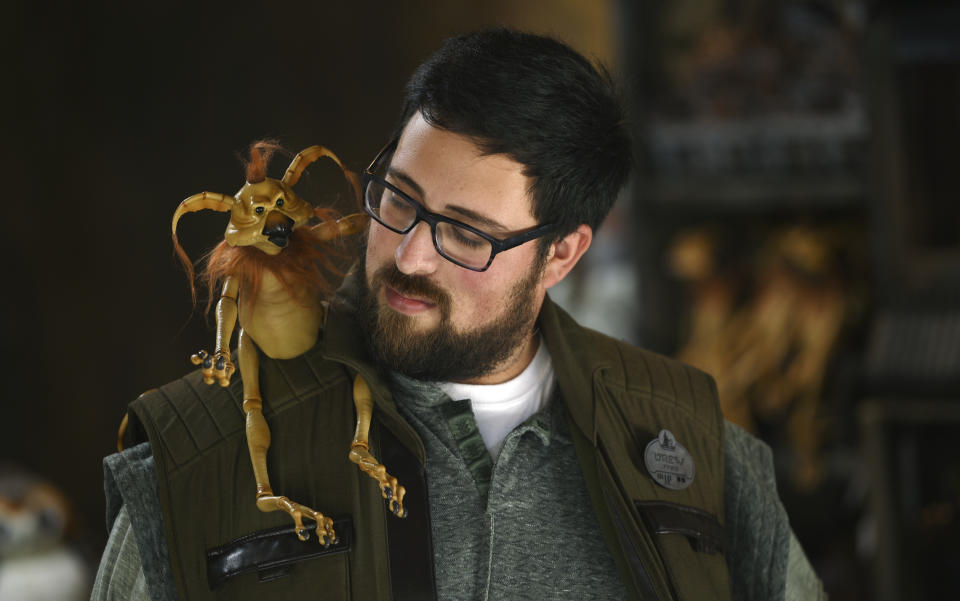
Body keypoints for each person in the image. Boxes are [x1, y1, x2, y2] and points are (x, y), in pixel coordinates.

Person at [92, 29, 826, 601]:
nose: (410, 256)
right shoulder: (202, 454)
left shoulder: (693, 450)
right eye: (399, 199)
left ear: (563, 255)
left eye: (467, 233)